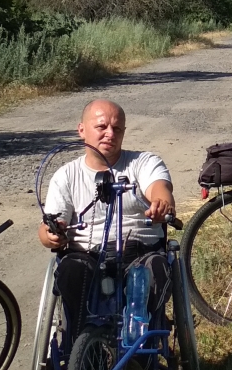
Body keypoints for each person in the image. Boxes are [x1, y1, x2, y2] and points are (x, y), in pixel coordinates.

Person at [38, 99, 175, 342]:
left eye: (117, 128)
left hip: (140, 253)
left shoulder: (143, 162)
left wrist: (161, 203)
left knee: (156, 271)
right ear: (82, 130)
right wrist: (51, 236)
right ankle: (83, 346)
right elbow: (47, 229)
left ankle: (140, 346)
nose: (110, 134)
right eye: (102, 127)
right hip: (87, 256)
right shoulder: (66, 176)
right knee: (70, 272)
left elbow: (160, 188)